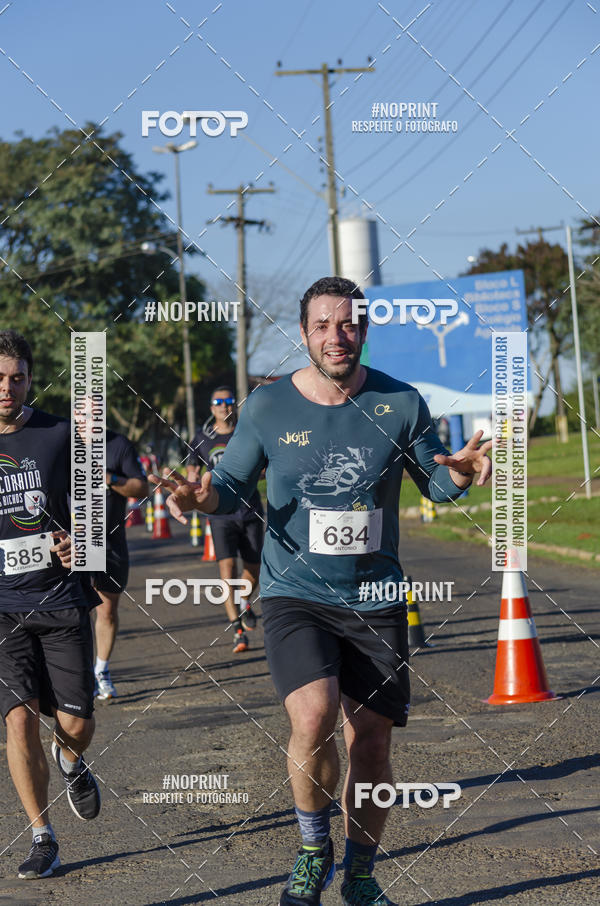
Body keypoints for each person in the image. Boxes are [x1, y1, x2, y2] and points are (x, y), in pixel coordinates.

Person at [151, 277, 492, 906]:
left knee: (373, 739)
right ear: (304, 333)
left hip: (374, 595)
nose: (337, 337)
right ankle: (313, 849)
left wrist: (465, 475)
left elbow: (436, 483)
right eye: (322, 326)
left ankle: (360, 873)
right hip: (294, 593)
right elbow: (229, 483)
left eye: (349, 324)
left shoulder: (401, 402)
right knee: (312, 717)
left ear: (364, 328)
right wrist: (204, 499)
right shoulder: (268, 407)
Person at [0, 330, 101, 879]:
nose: (7, 388)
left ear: (31, 379)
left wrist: (78, 542)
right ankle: (43, 837)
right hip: (2, 607)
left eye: (16, 377)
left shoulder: (60, 435)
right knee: (17, 721)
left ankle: (71, 758)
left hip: (60, 598)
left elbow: (96, 511)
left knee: (76, 720)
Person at [187, 387, 263, 653]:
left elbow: (263, 465)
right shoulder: (202, 438)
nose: (223, 406)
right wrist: (191, 487)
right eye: (218, 402)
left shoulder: (246, 432)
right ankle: (237, 629)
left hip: (250, 510)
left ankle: (244, 603)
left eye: (228, 401)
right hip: (220, 514)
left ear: (234, 405)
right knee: (227, 571)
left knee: (253, 570)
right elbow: (192, 471)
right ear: (211, 408)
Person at [91, 428, 148, 700]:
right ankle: (76, 675)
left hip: (111, 542)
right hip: (72, 542)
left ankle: (101, 670)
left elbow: (141, 486)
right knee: (71, 613)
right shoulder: (61, 441)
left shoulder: (117, 445)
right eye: (82, 412)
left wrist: (110, 478)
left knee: (107, 610)